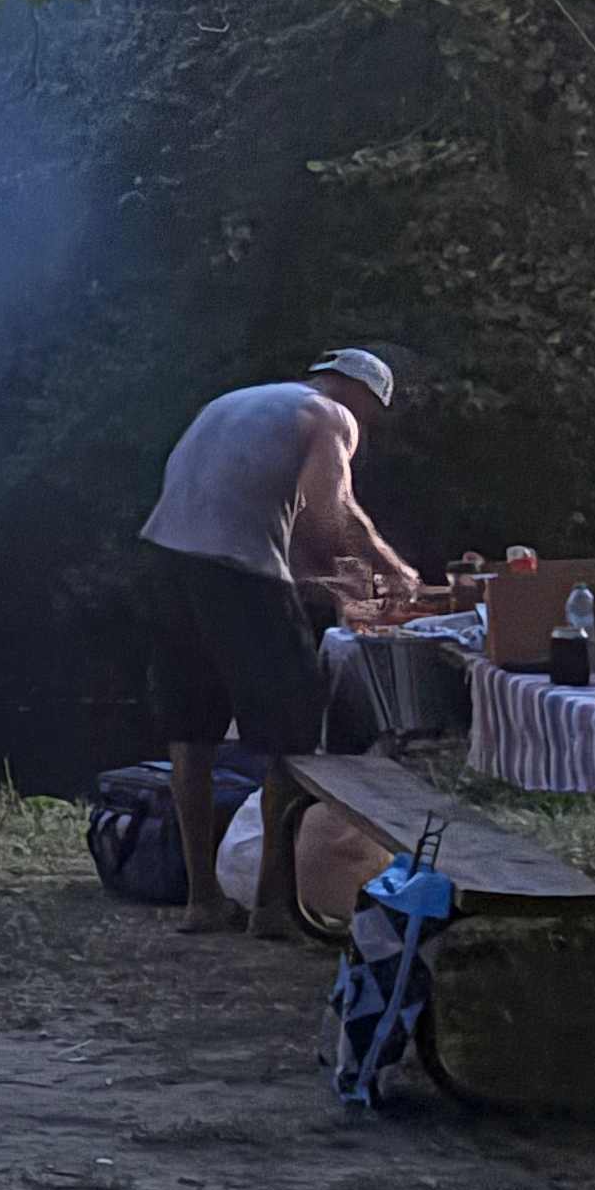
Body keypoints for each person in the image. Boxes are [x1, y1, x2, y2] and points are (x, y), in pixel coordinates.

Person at [138, 350, 417, 936]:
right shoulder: (331, 417)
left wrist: (337, 588)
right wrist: (394, 573)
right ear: (360, 395)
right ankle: (272, 907)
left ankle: (202, 900)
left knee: (192, 736)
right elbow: (332, 514)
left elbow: (273, 540)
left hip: (164, 565)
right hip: (234, 575)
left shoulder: (239, 404)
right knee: (293, 739)